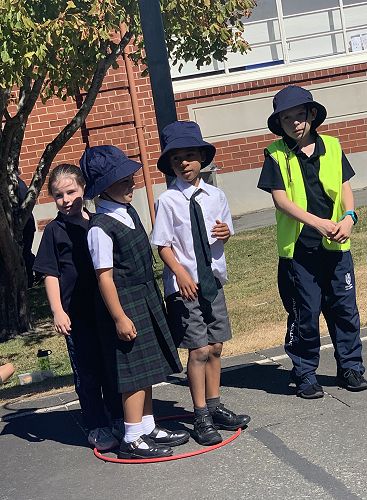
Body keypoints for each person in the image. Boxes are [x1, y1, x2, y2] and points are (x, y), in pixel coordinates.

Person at [257, 85, 367, 399]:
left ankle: (350, 368)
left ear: (312, 115)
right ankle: (305, 373)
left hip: (335, 247)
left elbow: (346, 189)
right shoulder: (275, 153)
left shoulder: (332, 146)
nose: (294, 122)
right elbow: (281, 201)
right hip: (300, 251)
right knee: (306, 314)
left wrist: (349, 217)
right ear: (279, 123)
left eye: (299, 115)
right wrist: (317, 223)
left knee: (345, 310)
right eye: (286, 118)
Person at [81, 145, 189, 460]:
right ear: (103, 188)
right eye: (122, 180)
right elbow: (104, 278)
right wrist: (118, 317)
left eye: (130, 178)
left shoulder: (127, 212)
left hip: (145, 295)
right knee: (133, 374)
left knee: (149, 368)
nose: (131, 184)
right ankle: (132, 437)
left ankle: (147, 425)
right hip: (124, 302)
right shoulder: (100, 228)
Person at [151, 121, 250, 446]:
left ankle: (215, 404)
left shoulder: (215, 195)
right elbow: (163, 244)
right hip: (186, 286)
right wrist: (180, 274)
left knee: (217, 346)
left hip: (212, 282)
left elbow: (224, 231)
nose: (184, 163)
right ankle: (200, 414)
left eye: (190, 156)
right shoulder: (167, 201)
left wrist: (226, 234)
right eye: (177, 158)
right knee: (200, 350)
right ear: (170, 164)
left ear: (202, 159)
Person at [33, 164, 123, 451]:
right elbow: (50, 274)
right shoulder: (54, 232)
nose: (67, 199)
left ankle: (118, 416)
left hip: (104, 310)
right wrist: (58, 310)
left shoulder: (99, 222)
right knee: (87, 371)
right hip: (77, 315)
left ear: (84, 189)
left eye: (71, 191)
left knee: (111, 366)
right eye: (59, 195)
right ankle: (96, 423)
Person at [18, 177, 36, 288]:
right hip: (25, 224)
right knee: (25, 252)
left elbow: (24, 206)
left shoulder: (16, 185)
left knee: (25, 253)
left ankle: (30, 280)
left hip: (25, 225)